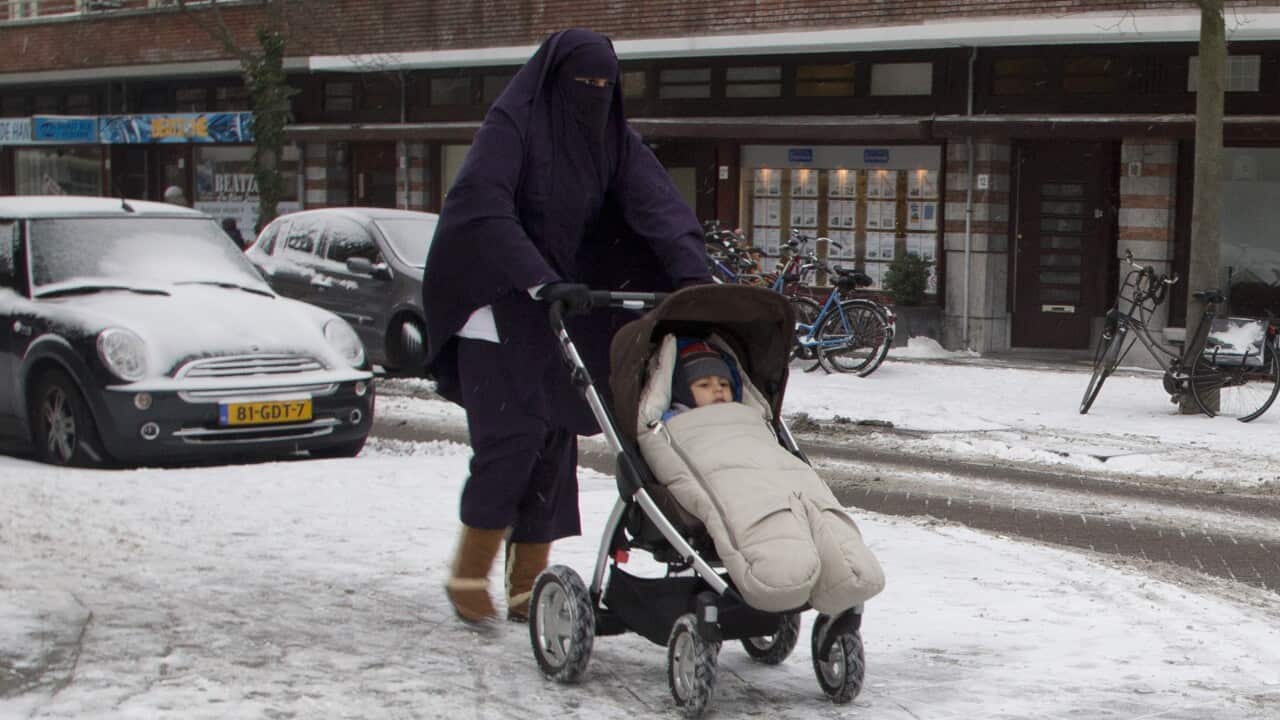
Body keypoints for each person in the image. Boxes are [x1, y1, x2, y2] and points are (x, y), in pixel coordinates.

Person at [421, 28, 711, 623]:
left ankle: (528, 586)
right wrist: (537, 276)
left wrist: (694, 277)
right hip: (493, 299)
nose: (594, 95)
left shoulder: (611, 137)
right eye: (583, 84)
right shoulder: (511, 127)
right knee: (512, 439)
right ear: (555, 82)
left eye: (605, 86)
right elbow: (483, 206)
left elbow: (658, 205)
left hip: (557, 303)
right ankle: (468, 572)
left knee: (554, 440)